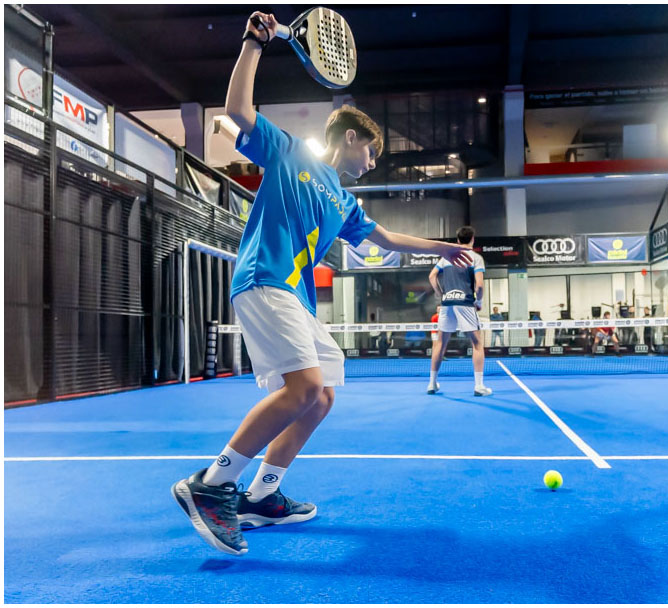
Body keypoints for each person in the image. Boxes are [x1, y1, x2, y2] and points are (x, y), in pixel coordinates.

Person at [171, 12, 473, 557]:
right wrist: (254, 44)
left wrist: (442, 247)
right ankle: (213, 483)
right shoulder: (291, 154)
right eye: (372, 152)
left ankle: (262, 495)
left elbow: (387, 238)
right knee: (304, 389)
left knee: (323, 394)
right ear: (350, 137)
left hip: (296, 299)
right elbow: (236, 112)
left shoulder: (345, 201)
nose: (373, 162)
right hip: (265, 279)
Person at [427, 226, 492, 397]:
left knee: (440, 343)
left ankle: (432, 384)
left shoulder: (446, 258)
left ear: (457, 240)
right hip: (465, 303)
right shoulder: (476, 258)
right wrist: (479, 302)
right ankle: (479, 386)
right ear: (472, 239)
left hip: (447, 303)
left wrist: (440, 294)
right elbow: (479, 286)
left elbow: (432, 276)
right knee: (477, 344)